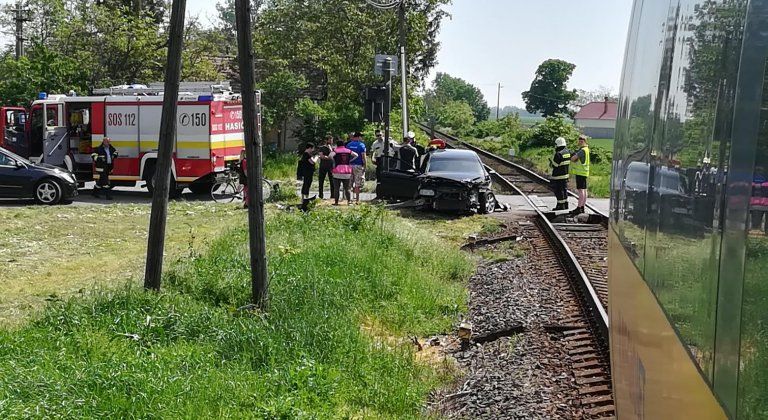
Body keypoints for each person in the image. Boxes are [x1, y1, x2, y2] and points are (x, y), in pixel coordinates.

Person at [330, 140, 358, 205]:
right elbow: (356, 155)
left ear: (337, 145)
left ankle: (336, 202)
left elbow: (330, 156)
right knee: (347, 188)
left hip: (337, 171)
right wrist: (350, 160)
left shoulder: (335, 150)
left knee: (336, 188)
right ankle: (349, 201)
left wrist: (334, 161)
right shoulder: (348, 150)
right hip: (347, 171)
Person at [549, 136, 571, 211]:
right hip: (565, 175)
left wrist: (551, 163)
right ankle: (565, 204)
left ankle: (560, 206)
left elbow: (555, 165)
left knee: (559, 191)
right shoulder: (567, 152)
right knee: (564, 190)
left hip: (558, 176)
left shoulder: (558, 154)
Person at [570, 135, 590, 214]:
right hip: (584, 172)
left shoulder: (582, 151)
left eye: (581, 141)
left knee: (581, 190)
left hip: (580, 172)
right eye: (580, 141)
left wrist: (573, 156)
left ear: (585, 141)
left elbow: (573, 159)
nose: (580, 142)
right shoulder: (587, 149)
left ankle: (579, 207)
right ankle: (582, 206)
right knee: (584, 190)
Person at [346, 131, 367, 203]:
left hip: (349, 165)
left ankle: (349, 199)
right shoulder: (361, 145)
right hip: (358, 166)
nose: (362, 138)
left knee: (349, 183)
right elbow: (363, 157)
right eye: (361, 137)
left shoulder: (348, 145)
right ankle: (357, 200)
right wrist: (365, 166)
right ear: (358, 137)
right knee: (357, 183)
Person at [296, 142, 317, 211]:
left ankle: (303, 198)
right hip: (308, 172)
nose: (313, 150)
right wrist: (316, 158)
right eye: (312, 148)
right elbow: (312, 162)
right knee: (307, 184)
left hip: (306, 172)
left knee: (305, 183)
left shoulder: (305, 154)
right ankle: (305, 198)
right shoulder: (306, 154)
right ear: (310, 148)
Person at [317, 135, 335, 200]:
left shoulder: (332, 148)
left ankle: (333, 195)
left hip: (331, 166)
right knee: (321, 181)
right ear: (327, 140)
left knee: (332, 181)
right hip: (323, 166)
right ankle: (321, 195)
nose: (331, 141)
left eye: (332, 140)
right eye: (330, 140)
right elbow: (321, 156)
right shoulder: (322, 147)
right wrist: (327, 157)